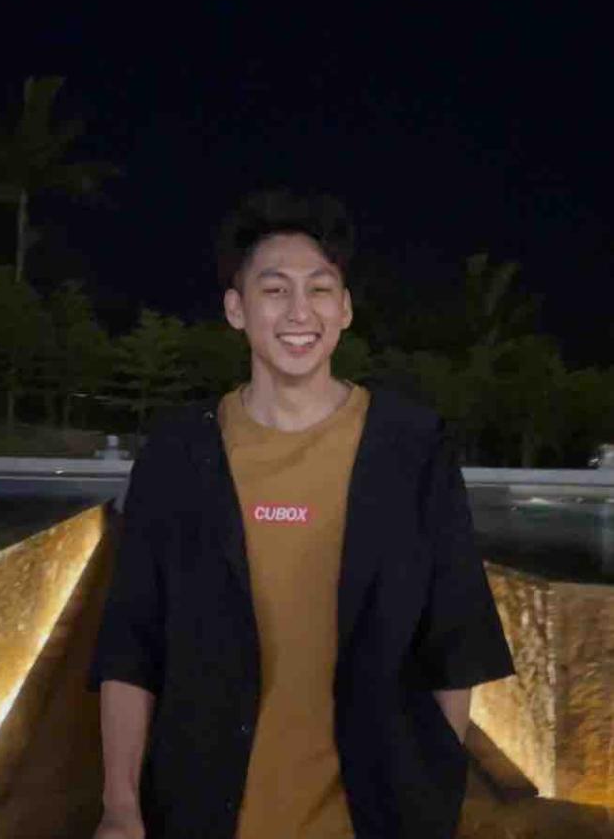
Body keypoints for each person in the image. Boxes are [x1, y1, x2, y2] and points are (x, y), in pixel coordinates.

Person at [87, 191, 515, 839]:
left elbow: (453, 641)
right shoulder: (178, 455)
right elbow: (131, 644)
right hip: (200, 812)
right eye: (274, 289)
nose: (299, 311)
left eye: (319, 289)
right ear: (236, 308)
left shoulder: (412, 448)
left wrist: (430, 799)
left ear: (344, 309)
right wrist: (120, 808)